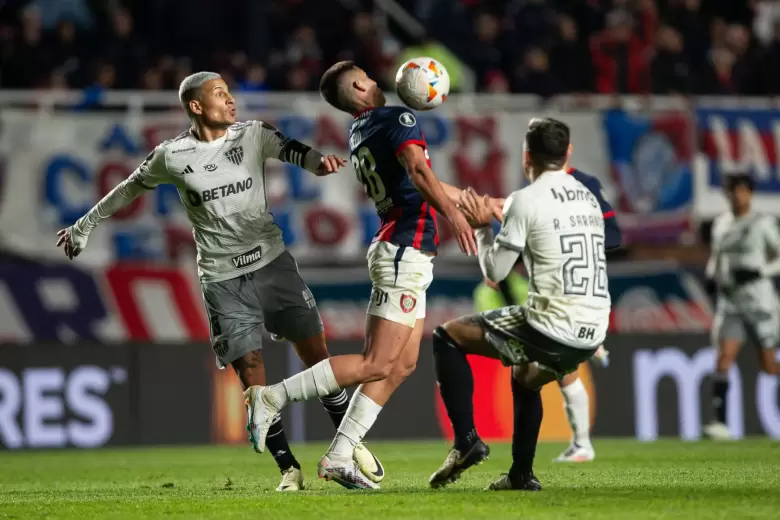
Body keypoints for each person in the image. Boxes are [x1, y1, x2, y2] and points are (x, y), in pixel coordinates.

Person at [54, 71, 383, 492]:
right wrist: (84, 225)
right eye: (219, 94)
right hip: (223, 277)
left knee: (319, 358)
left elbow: (296, 152)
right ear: (196, 106)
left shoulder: (253, 134)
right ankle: (289, 469)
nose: (230, 100)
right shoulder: (171, 156)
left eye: (229, 92)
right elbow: (128, 188)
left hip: (272, 263)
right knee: (251, 373)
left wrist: (320, 162)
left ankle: (348, 445)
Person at [243, 61, 502, 490]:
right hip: (402, 248)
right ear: (360, 86)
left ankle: (341, 454)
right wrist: (455, 215)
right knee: (375, 362)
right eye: (370, 76)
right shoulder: (396, 118)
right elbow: (420, 174)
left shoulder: (363, 129)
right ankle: (272, 396)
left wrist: (483, 205)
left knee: (401, 365)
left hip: (406, 248)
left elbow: (422, 180)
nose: (380, 81)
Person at [429, 117, 611, 491]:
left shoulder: (524, 200)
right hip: (594, 328)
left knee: (447, 336)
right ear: (567, 154)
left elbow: (494, 271)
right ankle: (520, 475)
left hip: (552, 324)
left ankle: (465, 442)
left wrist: (482, 228)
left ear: (526, 156)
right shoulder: (589, 198)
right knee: (526, 376)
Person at [703, 173, 780, 441]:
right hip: (732, 303)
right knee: (724, 358)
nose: (738, 196)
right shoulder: (721, 224)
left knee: (769, 366)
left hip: (760, 302)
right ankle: (720, 424)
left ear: (750, 194)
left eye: (743, 191)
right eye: (733, 191)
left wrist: (760, 271)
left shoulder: (763, 223)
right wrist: (710, 275)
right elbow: (716, 257)